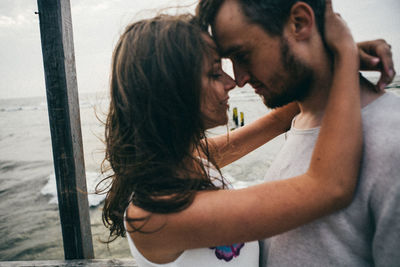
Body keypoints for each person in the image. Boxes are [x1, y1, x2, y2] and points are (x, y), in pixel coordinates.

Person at [196, 0, 400, 266]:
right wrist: (340, 58)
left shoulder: (392, 144)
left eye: (243, 55)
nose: (238, 79)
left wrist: (342, 56)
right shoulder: (301, 121)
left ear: (300, 23)